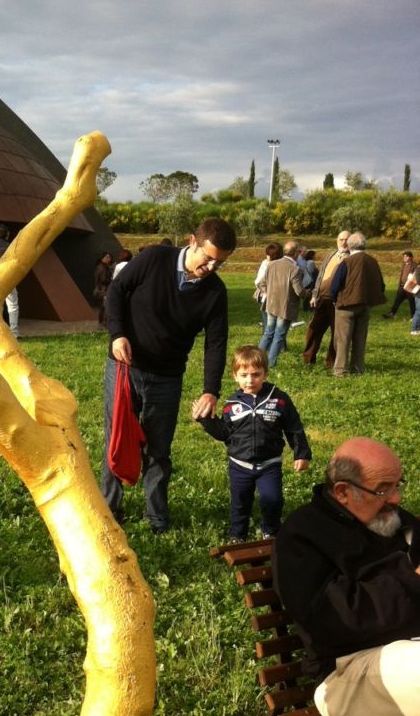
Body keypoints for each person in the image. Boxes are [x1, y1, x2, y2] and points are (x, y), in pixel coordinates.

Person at [273, 437, 420, 716]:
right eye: (383, 489)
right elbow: (337, 620)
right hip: (347, 674)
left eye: (397, 485)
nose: (395, 498)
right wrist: (412, 579)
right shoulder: (303, 535)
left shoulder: (395, 521)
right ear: (342, 492)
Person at [102, 217, 237, 533]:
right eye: (208, 258)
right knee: (117, 438)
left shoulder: (215, 292)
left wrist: (210, 390)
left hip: (167, 377)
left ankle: (157, 517)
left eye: (220, 262)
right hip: (125, 367)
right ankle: (109, 509)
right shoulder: (153, 259)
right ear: (192, 242)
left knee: (159, 450)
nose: (212, 267)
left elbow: (216, 343)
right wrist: (117, 333)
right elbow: (117, 291)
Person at [194, 345, 310, 540]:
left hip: (269, 464)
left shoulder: (279, 399)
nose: (250, 380)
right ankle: (238, 534)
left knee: (272, 499)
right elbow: (225, 433)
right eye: (244, 375)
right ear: (235, 376)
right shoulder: (232, 404)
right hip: (239, 465)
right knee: (240, 502)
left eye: (256, 374)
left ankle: (271, 531)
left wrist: (302, 453)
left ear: (265, 373)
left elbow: (293, 427)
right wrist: (205, 419)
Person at [330, 231, 385, 376]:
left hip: (346, 305)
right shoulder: (372, 261)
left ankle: (340, 370)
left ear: (349, 245)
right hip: (365, 304)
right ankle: (357, 369)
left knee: (342, 340)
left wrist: (334, 299)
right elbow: (381, 284)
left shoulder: (346, 262)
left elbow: (335, 285)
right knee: (360, 339)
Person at [302, 230, 350, 368]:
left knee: (337, 333)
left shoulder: (352, 258)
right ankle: (308, 359)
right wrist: (315, 294)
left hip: (339, 300)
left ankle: (331, 362)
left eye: (347, 239)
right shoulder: (331, 254)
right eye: (341, 239)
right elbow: (320, 276)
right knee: (314, 329)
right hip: (323, 298)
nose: (344, 242)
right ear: (337, 240)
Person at [257, 241, 305, 366]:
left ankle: (257, 360)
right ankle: (270, 364)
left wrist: (270, 292)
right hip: (285, 307)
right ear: (296, 253)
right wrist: (310, 293)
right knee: (279, 335)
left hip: (271, 305)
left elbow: (261, 283)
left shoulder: (271, 264)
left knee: (268, 332)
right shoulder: (295, 269)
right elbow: (299, 291)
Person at [252, 242, 283, 332]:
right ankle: (274, 345)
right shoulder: (266, 264)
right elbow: (258, 282)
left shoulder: (269, 264)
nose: (267, 257)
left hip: (271, 298)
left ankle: (273, 345)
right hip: (271, 297)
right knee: (273, 326)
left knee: (271, 325)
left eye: (268, 254)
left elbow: (258, 282)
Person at [384, 250, 417, 320]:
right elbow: (401, 275)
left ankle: (413, 316)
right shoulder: (404, 265)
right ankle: (392, 313)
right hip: (402, 286)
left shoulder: (414, 265)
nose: (404, 258)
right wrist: (399, 285)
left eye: (406, 256)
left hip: (409, 287)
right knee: (397, 300)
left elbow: (415, 276)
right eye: (404, 257)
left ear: (410, 257)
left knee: (412, 302)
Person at [93, 251, 114, 325]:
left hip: (101, 290)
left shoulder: (101, 266)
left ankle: (102, 322)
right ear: (102, 258)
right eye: (107, 257)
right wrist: (112, 280)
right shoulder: (102, 267)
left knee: (103, 306)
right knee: (105, 306)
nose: (109, 259)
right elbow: (103, 279)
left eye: (109, 257)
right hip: (103, 290)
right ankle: (104, 322)